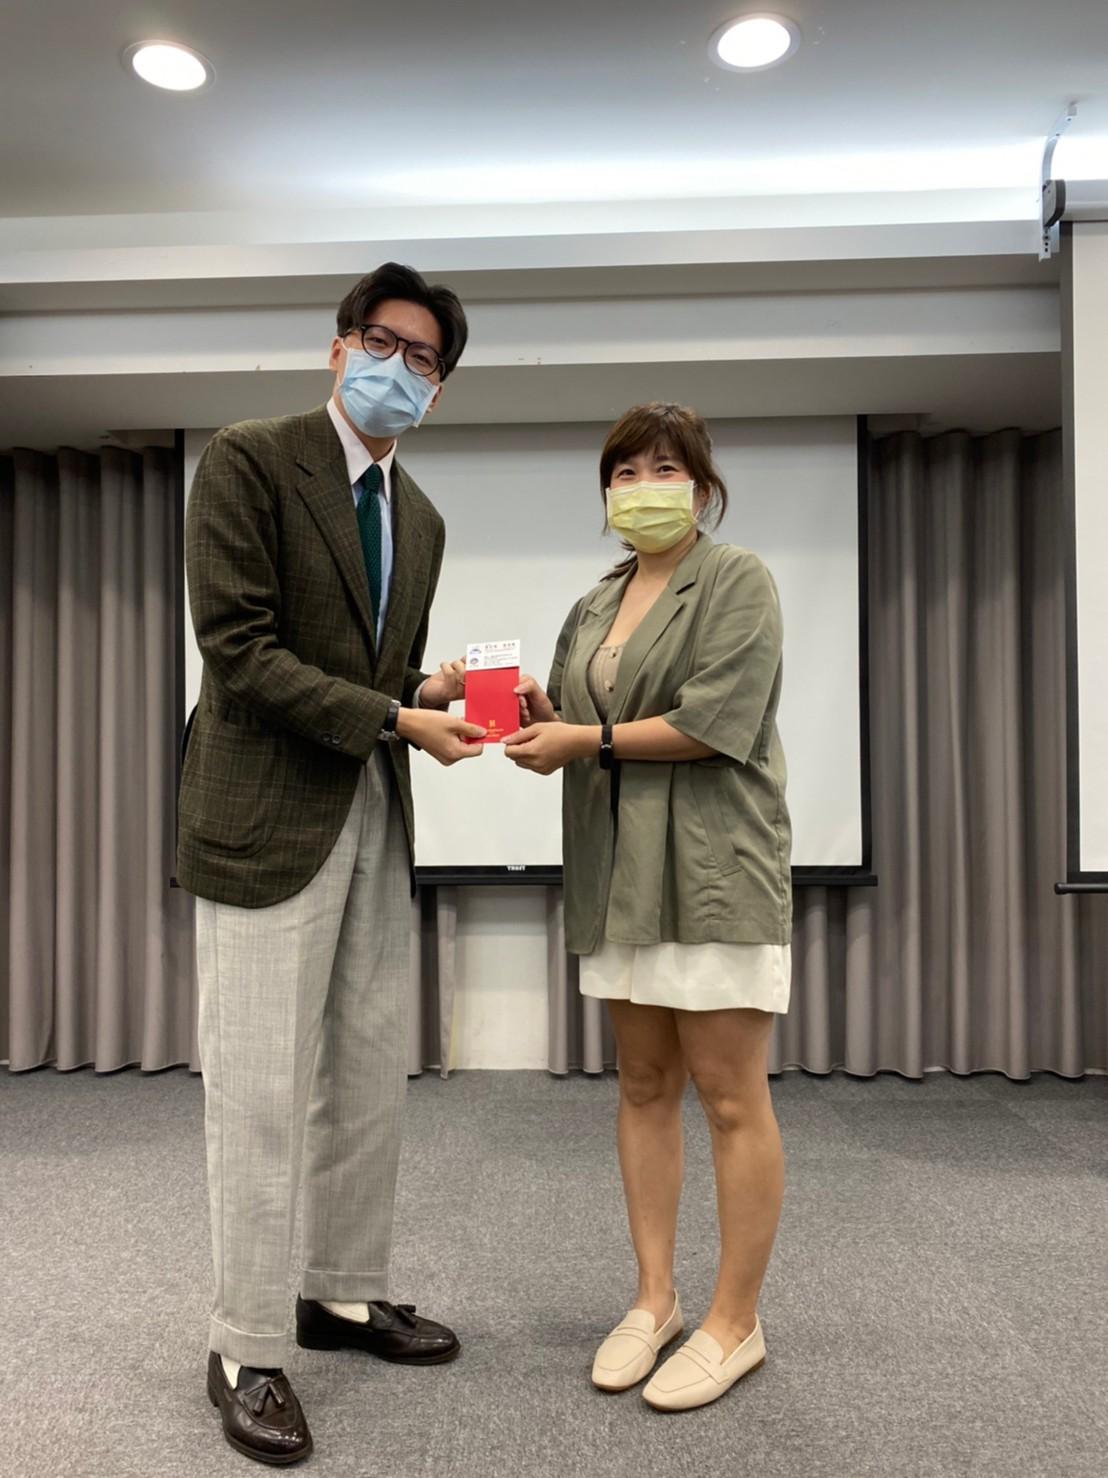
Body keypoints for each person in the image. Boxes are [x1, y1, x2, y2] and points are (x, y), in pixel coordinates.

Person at [178, 262, 485, 1466]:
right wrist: (399, 713)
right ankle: (245, 1343)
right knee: (256, 1088)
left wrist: (431, 689)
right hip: (264, 815)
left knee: (365, 1074)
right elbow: (240, 648)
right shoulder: (251, 459)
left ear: (439, 390)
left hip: (370, 809)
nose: (397, 368)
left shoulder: (424, 518)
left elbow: (370, 671)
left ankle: (340, 1293)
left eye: (423, 359)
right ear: (337, 345)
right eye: (381, 341)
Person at [506, 402, 792, 1413]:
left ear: (701, 488)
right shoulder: (595, 602)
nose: (642, 488)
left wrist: (584, 739)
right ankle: (654, 1298)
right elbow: (581, 722)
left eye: (664, 469)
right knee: (641, 1083)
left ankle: (735, 1319)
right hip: (618, 868)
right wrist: (540, 719)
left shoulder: (737, 578)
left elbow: (716, 721)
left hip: (711, 868)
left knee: (729, 1095)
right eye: (623, 472)